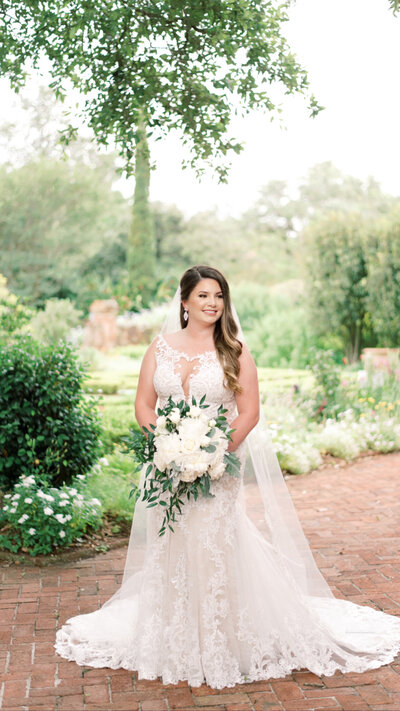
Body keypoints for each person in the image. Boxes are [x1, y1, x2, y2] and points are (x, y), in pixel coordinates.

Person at [55, 264, 400, 689]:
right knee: (173, 545)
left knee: (214, 545)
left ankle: (222, 640)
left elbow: (249, 411)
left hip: (217, 468)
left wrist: (210, 451)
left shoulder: (234, 350)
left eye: (218, 296)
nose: (212, 303)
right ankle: (175, 638)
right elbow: (144, 405)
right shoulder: (159, 348)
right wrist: (166, 446)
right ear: (184, 302)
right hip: (167, 469)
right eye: (203, 295)